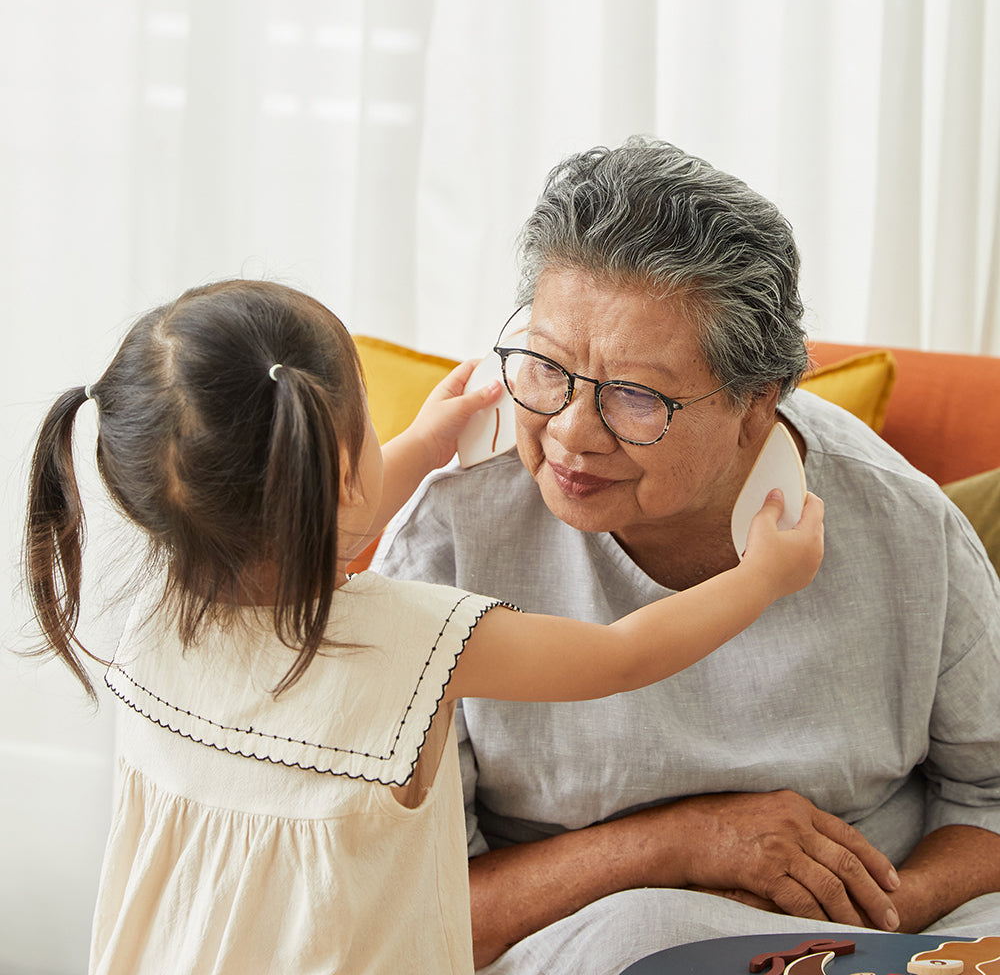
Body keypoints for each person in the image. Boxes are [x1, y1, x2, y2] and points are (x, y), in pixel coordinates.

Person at [22, 279, 824, 975]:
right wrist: (760, 580)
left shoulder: (150, 620)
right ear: (341, 473)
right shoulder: (416, 640)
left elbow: (308, 525)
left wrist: (423, 445)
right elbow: (622, 655)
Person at [371, 137, 1000, 973]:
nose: (570, 433)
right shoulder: (447, 538)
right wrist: (682, 843)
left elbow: (990, 796)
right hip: (586, 939)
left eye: (636, 395)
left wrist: (877, 918)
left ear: (755, 404)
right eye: (547, 366)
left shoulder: (903, 523)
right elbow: (408, 905)